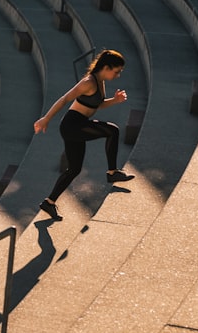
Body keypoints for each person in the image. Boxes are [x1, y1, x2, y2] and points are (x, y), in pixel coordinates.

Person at [33, 49, 134, 220]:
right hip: (73, 125)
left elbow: (97, 105)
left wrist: (114, 101)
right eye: (116, 71)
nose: (118, 75)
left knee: (74, 169)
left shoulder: (100, 81)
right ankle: (112, 172)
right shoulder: (89, 82)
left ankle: (48, 203)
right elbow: (65, 98)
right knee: (113, 130)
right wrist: (46, 118)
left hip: (77, 126)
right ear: (106, 67)